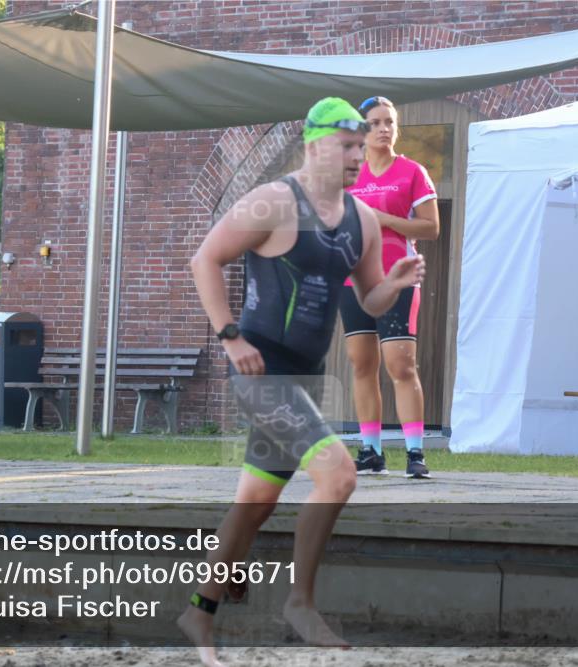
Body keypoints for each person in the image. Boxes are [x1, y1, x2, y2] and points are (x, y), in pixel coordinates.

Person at [179, 97, 427, 667]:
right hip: (262, 373)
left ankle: (199, 609)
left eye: (360, 147)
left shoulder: (362, 220)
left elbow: (367, 299)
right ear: (314, 144)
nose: (357, 157)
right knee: (339, 475)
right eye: (347, 146)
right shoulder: (272, 201)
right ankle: (301, 603)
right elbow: (204, 260)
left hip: (306, 380)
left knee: (255, 504)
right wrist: (230, 336)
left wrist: (393, 281)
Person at [339, 96, 440, 479]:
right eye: (376, 123)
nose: (384, 129)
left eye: (390, 122)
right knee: (362, 364)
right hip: (353, 281)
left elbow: (431, 228)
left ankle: (415, 453)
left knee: (401, 365)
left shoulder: (412, 171)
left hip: (397, 276)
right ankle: (371, 452)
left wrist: (384, 219)